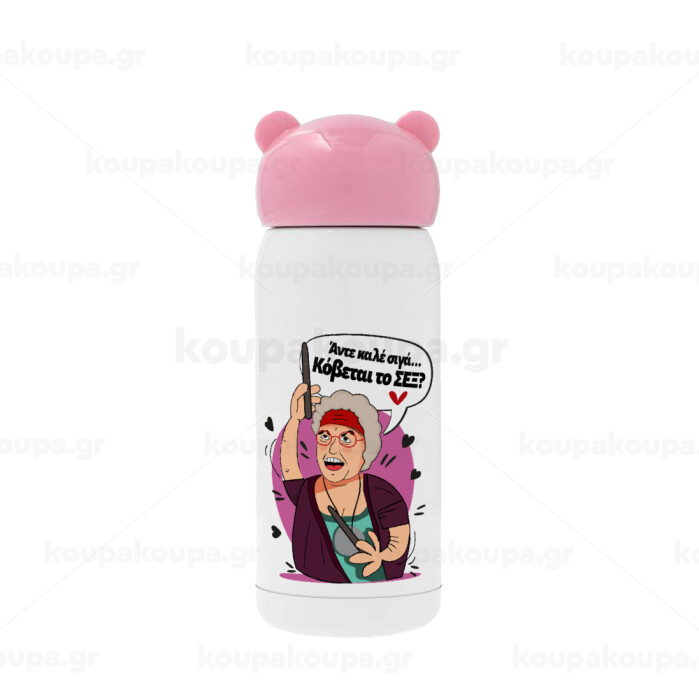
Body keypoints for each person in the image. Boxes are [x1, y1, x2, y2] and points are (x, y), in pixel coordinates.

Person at [280, 384, 410, 583]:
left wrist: (381, 556)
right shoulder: (308, 491)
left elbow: (399, 541)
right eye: (324, 437)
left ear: (366, 448)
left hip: (379, 587)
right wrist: (294, 420)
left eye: (346, 439)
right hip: (318, 588)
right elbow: (289, 469)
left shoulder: (383, 494)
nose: (332, 449)